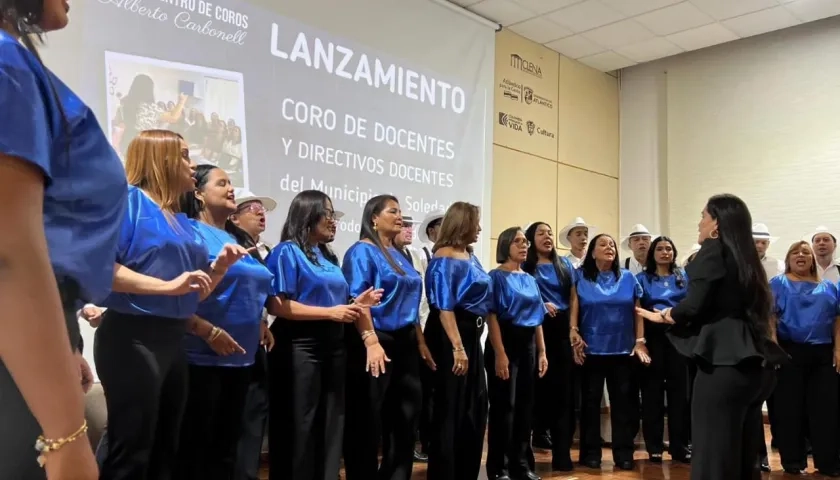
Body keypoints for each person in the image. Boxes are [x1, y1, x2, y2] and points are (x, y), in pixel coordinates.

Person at [0, 1, 128, 477]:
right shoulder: (6, 60)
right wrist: (65, 436)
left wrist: (64, 344)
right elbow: (8, 254)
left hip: (30, 341)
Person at [96, 130, 248, 480]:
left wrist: (220, 268)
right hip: (132, 338)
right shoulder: (128, 202)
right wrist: (166, 287)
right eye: (183, 155)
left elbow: (194, 294)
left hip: (172, 340)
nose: (192, 165)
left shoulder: (180, 219)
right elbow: (103, 267)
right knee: (131, 450)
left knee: (166, 449)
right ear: (159, 158)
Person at [637, 193, 783, 480]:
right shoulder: (747, 257)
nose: (699, 223)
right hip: (755, 364)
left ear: (716, 224)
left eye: (703, 216)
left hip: (724, 362)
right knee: (743, 453)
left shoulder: (714, 250)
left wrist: (665, 315)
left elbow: (694, 305)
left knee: (713, 451)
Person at [265, 190, 381, 480]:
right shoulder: (287, 251)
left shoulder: (328, 256)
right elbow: (278, 305)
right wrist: (330, 313)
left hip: (333, 346)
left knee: (331, 423)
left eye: (333, 214)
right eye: (327, 214)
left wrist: (357, 305)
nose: (333, 220)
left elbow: (335, 304)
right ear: (308, 214)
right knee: (300, 425)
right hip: (300, 347)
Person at [176, 165, 277, 479]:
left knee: (227, 453)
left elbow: (252, 286)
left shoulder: (237, 238)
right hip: (200, 356)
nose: (231, 188)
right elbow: (175, 295)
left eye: (231, 182)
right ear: (199, 194)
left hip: (242, 359)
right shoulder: (189, 231)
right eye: (222, 183)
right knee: (195, 454)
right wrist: (206, 331)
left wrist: (260, 320)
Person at [342, 195, 425, 480]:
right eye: (393, 211)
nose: (400, 216)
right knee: (367, 418)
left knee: (406, 416)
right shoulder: (361, 252)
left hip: (405, 341)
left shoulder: (401, 254)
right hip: (375, 339)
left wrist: (420, 342)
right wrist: (371, 341)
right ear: (374, 218)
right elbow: (358, 299)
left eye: (401, 211)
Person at [424, 202, 492, 480]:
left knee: (474, 407)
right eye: (476, 222)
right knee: (451, 408)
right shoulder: (443, 258)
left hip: (471, 337)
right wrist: (458, 347)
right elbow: (444, 307)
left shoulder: (470, 255)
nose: (479, 228)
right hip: (451, 338)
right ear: (463, 223)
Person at [571, 233, 649, 471]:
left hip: (622, 350)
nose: (609, 247)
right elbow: (574, 307)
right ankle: (590, 454)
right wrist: (573, 331)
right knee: (590, 404)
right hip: (590, 350)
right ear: (592, 252)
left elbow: (637, 311)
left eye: (612, 244)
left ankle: (624, 453)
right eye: (603, 244)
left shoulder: (627, 277)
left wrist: (640, 341)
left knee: (623, 404)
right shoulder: (580, 276)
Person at [770, 241, 840, 476]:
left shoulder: (828, 287)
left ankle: (827, 462)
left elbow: (837, 319)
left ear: (812, 260)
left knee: (826, 409)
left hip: (823, 353)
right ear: (788, 258)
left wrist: (838, 350)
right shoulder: (778, 283)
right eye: (795, 252)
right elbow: (769, 316)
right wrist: (773, 346)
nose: (801, 255)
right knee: (790, 408)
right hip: (790, 352)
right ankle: (793, 460)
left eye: (805, 253)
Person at [485, 227, 548, 480]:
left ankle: (521, 465)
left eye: (525, 242)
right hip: (505, 341)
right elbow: (491, 317)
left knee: (525, 407)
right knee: (504, 408)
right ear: (505, 246)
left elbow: (538, 317)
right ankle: (499, 468)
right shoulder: (495, 276)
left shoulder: (530, 279)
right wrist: (500, 353)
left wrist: (542, 351)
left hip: (528, 344)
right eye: (517, 241)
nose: (524, 245)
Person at [522, 222, 576, 471]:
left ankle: (562, 454)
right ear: (531, 239)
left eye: (550, 233)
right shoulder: (525, 265)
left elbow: (573, 296)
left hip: (561, 329)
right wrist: (541, 305)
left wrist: (573, 327)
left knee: (563, 393)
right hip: (535, 329)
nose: (547, 236)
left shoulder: (563, 264)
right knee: (536, 391)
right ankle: (531, 447)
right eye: (541, 233)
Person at [636, 236, 690, 464]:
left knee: (680, 395)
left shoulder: (683, 277)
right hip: (653, 338)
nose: (665, 252)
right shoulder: (642, 278)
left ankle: (680, 446)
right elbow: (638, 310)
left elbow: (690, 305)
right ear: (653, 253)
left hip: (679, 337)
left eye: (669, 248)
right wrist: (640, 340)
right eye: (660, 248)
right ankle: (654, 446)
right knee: (652, 394)